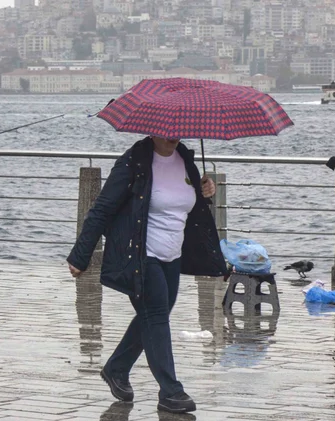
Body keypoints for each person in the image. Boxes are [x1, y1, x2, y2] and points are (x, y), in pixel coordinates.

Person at [67, 136, 228, 414]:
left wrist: (205, 191)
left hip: (172, 255)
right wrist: (80, 255)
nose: (173, 135)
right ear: (152, 130)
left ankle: (116, 368)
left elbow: (190, 208)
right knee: (155, 315)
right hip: (140, 255)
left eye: (178, 129)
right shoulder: (134, 161)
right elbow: (103, 208)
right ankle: (170, 391)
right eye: (167, 130)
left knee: (154, 315)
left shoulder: (186, 160)